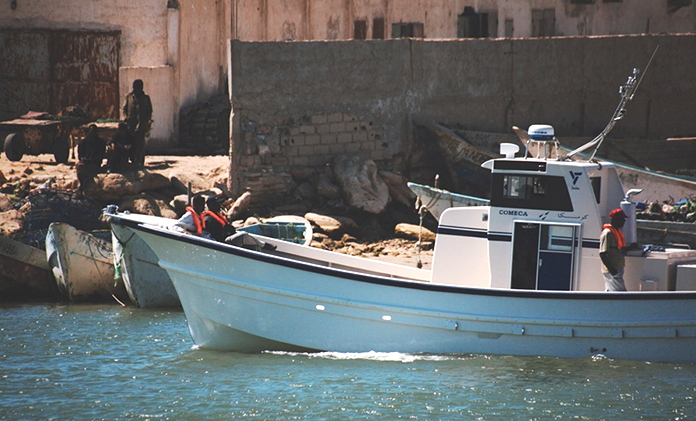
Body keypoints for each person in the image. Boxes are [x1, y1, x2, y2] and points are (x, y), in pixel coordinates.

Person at [123, 79, 153, 166]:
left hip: (141, 126)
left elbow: (149, 111)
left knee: (140, 145)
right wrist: (125, 118)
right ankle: (132, 161)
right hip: (130, 126)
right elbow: (124, 109)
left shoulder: (146, 98)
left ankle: (140, 162)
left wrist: (147, 121)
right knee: (131, 144)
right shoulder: (129, 97)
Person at [599, 208, 629, 291]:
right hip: (612, 270)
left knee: (611, 292)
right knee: (620, 293)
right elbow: (602, 253)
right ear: (616, 220)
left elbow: (618, 248)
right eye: (622, 219)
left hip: (617, 268)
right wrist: (613, 271)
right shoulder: (607, 233)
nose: (624, 221)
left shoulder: (616, 231)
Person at [75, 124, 106, 193]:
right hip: (85, 162)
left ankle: (83, 187)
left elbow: (101, 155)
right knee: (79, 166)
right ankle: (82, 186)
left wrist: (92, 160)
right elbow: (80, 154)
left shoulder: (100, 142)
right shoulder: (84, 142)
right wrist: (84, 159)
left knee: (85, 170)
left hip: (95, 163)